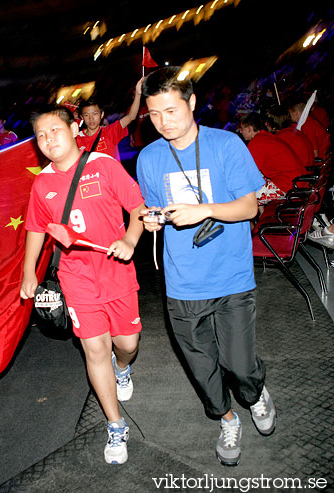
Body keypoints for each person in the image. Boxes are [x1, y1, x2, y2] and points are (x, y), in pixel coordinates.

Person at [136, 66, 276, 467]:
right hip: (183, 282)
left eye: (171, 111)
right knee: (202, 369)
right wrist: (150, 220)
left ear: (192, 103)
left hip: (231, 275)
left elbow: (250, 206)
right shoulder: (148, 158)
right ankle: (227, 419)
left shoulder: (226, 144)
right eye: (154, 114)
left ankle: (254, 395)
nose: (163, 122)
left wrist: (204, 210)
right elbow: (151, 209)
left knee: (239, 365)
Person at [19, 106, 145, 465]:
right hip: (76, 279)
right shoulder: (41, 183)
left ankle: (123, 367)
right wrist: (29, 272)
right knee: (94, 350)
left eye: (55, 131)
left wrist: (131, 241)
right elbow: (35, 229)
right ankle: (115, 425)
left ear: (75, 129)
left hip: (116, 271)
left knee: (127, 343)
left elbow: (137, 208)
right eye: (41, 136)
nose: (48, 140)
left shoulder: (103, 165)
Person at [239, 112, 306, 208]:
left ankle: (259, 221)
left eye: (242, 129)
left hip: (288, 185)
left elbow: (247, 172)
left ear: (249, 129)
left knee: (244, 199)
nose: (240, 132)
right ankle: (262, 217)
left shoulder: (256, 143)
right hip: (297, 180)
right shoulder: (266, 137)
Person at [76, 78, 144, 162]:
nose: (91, 118)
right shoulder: (77, 138)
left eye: (95, 114)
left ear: (102, 115)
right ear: (82, 117)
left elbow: (131, 117)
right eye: (86, 115)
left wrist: (138, 94)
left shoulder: (110, 132)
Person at [264, 104, 315, 168]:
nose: (265, 124)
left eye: (267, 123)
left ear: (274, 126)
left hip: (301, 173)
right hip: (307, 169)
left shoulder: (283, 138)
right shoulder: (293, 131)